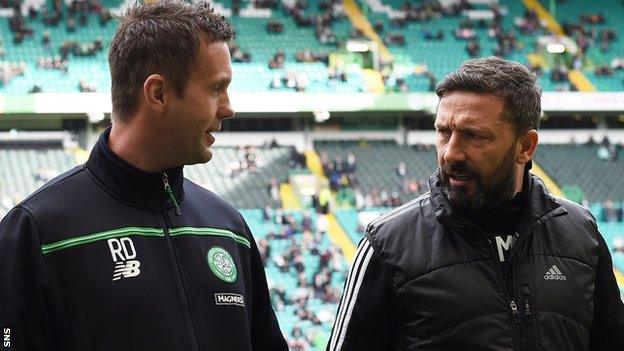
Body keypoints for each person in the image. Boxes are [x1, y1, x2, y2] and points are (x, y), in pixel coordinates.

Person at [0, 1, 287, 350]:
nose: (228, 108)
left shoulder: (228, 227)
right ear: (158, 93)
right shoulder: (37, 232)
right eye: (216, 88)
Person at [327, 57, 624, 350]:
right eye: (444, 132)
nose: (451, 154)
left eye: (474, 136)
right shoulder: (388, 244)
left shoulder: (581, 234)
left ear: (525, 146)